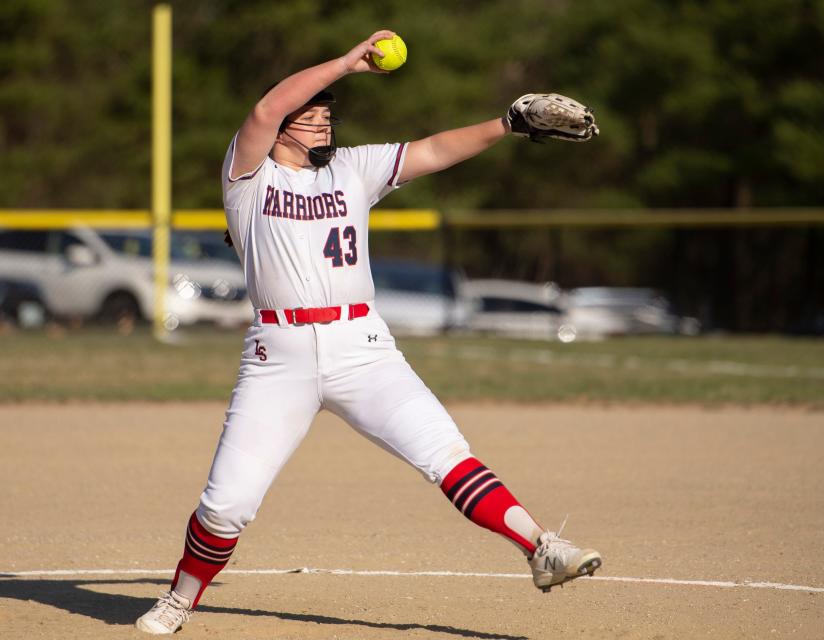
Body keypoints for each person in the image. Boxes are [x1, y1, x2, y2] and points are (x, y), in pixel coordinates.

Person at [136, 29, 601, 635]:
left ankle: (540, 547)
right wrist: (348, 64)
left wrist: (508, 123)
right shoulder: (247, 179)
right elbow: (263, 109)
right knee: (227, 504)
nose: (323, 121)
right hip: (280, 356)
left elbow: (432, 151)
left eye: (327, 113)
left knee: (445, 451)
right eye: (311, 113)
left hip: (364, 348)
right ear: (282, 127)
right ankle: (181, 597)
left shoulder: (354, 169)